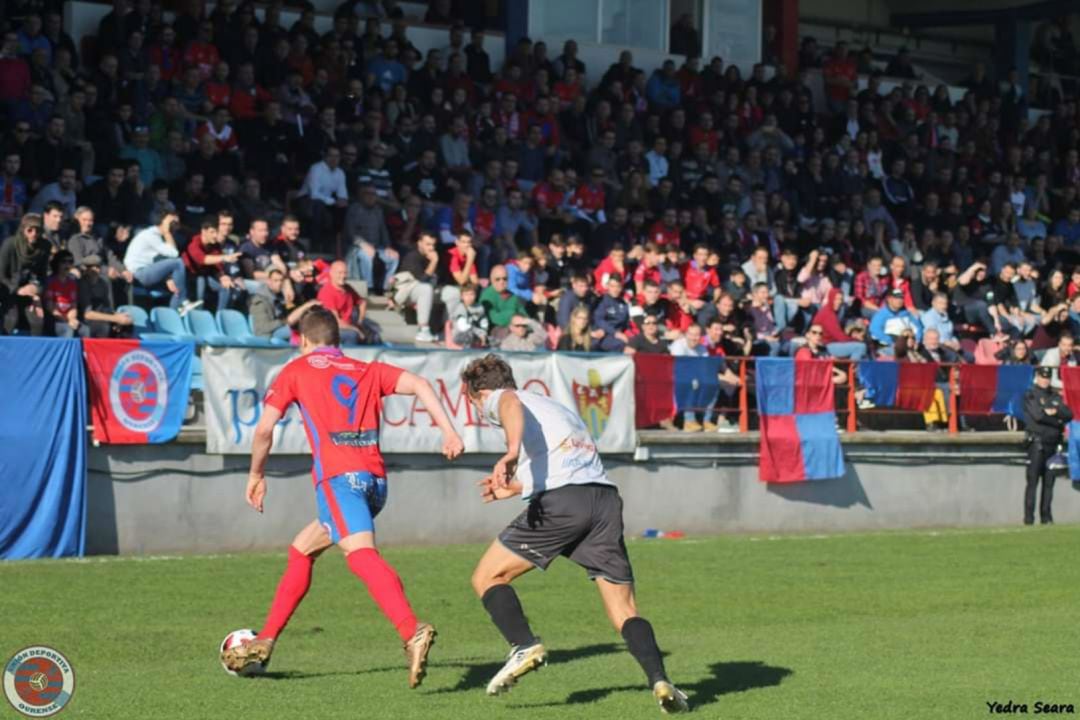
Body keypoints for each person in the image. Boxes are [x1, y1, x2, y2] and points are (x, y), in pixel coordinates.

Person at [221, 306, 465, 685]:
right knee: (302, 550)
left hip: (339, 480)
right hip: (375, 484)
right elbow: (421, 385)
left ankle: (410, 630)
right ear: (337, 340)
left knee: (361, 555)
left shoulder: (296, 370)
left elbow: (264, 430)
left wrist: (256, 474)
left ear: (302, 340)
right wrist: (448, 432)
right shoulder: (364, 368)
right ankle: (266, 639)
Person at [461, 355, 689, 712]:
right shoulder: (554, 407)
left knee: (487, 576)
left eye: (473, 401)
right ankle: (661, 681)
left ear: (482, 391)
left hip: (565, 503)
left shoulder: (503, 398)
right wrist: (518, 486)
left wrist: (509, 453)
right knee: (624, 609)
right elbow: (564, 461)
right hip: (604, 500)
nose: (477, 409)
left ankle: (523, 645)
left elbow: (507, 402)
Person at [1022, 366, 1072, 525]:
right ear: (1037, 377)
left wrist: (1054, 412)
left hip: (1053, 444)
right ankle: (1029, 518)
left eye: (1047, 377)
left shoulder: (1054, 396)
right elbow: (1038, 416)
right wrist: (1057, 420)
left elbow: (1069, 414)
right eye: (1042, 377)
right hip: (1037, 443)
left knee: (1049, 483)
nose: (1045, 380)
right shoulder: (1030, 394)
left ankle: (1046, 517)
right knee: (1033, 481)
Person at [124, 207, 194, 311]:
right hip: (138, 274)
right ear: (163, 222)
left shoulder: (158, 237)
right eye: (172, 222)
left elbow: (161, 260)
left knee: (176, 282)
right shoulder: (151, 234)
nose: (175, 226)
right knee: (178, 263)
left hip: (147, 272)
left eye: (176, 223)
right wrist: (167, 233)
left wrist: (168, 278)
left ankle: (174, 313)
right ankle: (182, 302)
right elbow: (174, 254)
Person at [249, 268, 317, 342]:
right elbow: (262, 328)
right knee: (293, 331)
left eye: (281, 280)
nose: (279, 283)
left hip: (280, 329)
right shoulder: (260, 301)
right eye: (276, 280)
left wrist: (289, 303)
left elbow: (288, 313)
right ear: (269, 281)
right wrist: (284, 322)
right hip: (268, 336)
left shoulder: (280, 295)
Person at [316, 260, 367, 345]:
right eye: (339, 273)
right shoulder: (327, 292)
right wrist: (356, 329)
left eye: (345, 273)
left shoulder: (347, 288)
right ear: (331, 273)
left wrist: (360, 322)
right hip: (331, 329)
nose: (343, 276)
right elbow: (335, 322)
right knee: (352, 335)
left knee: (373, 335)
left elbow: (362, 303)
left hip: (348, 325)